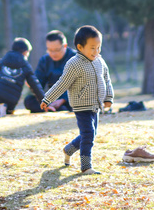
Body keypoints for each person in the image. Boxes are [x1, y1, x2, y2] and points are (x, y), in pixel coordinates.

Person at [40, 25, 114, 175]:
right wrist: (47, 99)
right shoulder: (74, 64)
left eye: (99, 47)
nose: (97, 51)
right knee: (88, 135)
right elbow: (62, 83)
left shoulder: (99, 61)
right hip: (82, 106)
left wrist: (108, 98)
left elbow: (107, 79)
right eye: (92, 48)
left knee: (90, 134)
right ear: (80, 47)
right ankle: (86, 166)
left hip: (96, 105)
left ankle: (68, 149)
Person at [0, 38, 46, 116]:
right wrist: (44, 102)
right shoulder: (25, 65)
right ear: (25, 52)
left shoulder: (3, 60)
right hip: (12, 99)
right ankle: (3, 109)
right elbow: (35, 85)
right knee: (9, 111)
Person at [24, 30, 76, 113]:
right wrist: (31, 83)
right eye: (50, 50)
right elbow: (39, 84)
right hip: (52, 98)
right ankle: (52, 108)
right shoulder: (45, 60)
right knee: (29, 100)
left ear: (65, 46)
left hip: (71, 97)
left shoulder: (76, 58)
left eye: (56, 50)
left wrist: (63, 100)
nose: (53, 53)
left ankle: (55, 108)